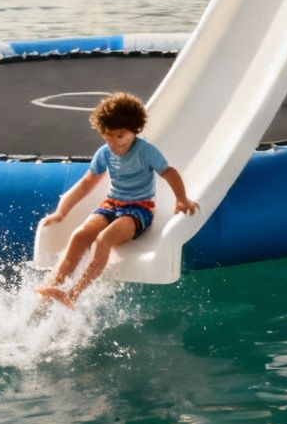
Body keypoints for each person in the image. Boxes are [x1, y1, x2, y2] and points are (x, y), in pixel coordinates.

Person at [37, 92, 196, 306]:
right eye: (108, 135)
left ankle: (74, 294)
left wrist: (181, 199)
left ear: (134, 130)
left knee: (104, 240)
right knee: (80, 235)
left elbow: (169, 172)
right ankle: (54, 285)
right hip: (112, 204)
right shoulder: (105, 153)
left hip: (138, 210)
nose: (114, 141)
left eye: (120, 135)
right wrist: (61, 212)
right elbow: (86, 183)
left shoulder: (145, 151)